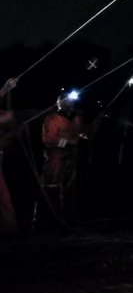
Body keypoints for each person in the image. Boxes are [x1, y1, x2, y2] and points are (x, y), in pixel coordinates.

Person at [41, 92, 86, 224]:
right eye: (67, 101)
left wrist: (82, 137)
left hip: (71, 159)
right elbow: (48, 139)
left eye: (71, 101)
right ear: (59, 103)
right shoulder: (52, 119)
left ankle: (68, 218)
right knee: (52, 188)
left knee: (69, 190)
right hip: (55, 159)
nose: (70, 103)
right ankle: (48, 220)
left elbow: (80, 135)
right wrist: (68, 142)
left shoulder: (75, 119)